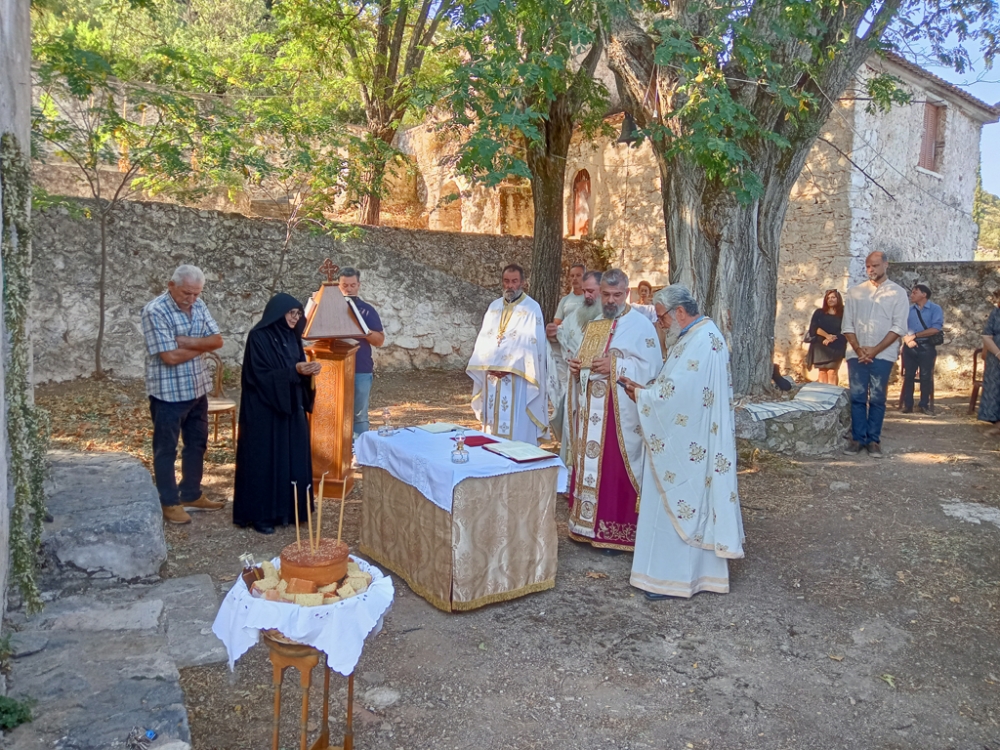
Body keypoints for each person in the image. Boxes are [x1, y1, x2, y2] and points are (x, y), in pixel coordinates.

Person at [621, 285, 745, 599]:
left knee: (682, 501)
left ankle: (674, 579)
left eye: (661, 317)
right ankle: (662, 575)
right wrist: (647, 388)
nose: (660, 324)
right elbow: (676, 383)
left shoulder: (703, 340)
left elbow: (681, 396)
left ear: (679, 312)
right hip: (687, 435)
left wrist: (643, 395)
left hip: (689, 442)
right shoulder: (694, 337)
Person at [566, 269, 662, 552]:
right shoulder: (595, 323)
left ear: (627, 293)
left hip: (621, 414)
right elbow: (586, 361)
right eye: (606, 295)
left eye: (616, 295)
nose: (610, 300)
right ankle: (586, 526)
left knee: (616, 469)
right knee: (593, 465)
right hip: (592, 412)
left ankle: (617, 533)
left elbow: (652, 370)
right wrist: (576, 369)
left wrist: (616, 367)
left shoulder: (641, 326)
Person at [141, 265, 226, 525]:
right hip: (168, 394)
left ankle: (191, 493)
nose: (191, 299)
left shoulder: (198, 305)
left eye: (196, 294)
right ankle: (169, 501)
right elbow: (170, 357)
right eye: (187, 293)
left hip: (197, 389)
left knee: (197, 444)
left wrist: (186, 341)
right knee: (166, 449)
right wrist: (202, 345)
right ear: (171, 285)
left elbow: (218, 341)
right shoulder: (155, 311)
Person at [233, 294, 321, 534]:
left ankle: (292, 511)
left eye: (298, 314)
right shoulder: (258, 337)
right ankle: (262, 515)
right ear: (278, 313)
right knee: (266, 460)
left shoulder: (291, 337)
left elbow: (296, 367)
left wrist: (307, 371)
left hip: (290, 406)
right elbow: (259, 375)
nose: (295, 318)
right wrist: (294, 370)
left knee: (291, 457)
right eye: (291, 313)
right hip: (264, 409)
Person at [467, 264, 549, 443]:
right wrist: (487, 365)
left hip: (518, 379)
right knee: (493, 429)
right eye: (506, 281)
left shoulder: (532, 308)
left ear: (523, 283)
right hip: (492, 379)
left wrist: (509, 368)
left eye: (514, 281)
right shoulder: (494, 307)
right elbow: (484, 339)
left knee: (516, 427)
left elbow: (532, 347)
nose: (510, 286)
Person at [841, 251, 909, 458]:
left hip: (883, 355)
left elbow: (899, 327)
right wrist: (859, 348)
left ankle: (874, 440)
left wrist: (875, 350)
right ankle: (858, 438)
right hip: (857, 353)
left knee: (878, 398)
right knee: (858, 397)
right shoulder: (855, 292)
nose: (871, 270)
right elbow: (847, 325)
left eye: (876, 265)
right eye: (868, 266)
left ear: (886, 265)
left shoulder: (898, 293)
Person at [547, 271, 604, 465]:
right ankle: (572, 478)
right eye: (585, 291)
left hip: (600, 391)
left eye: (591, 291)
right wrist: (554, 335)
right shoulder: (577, 315)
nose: (586, 295)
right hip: (576, 386)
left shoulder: (611, 317)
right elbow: (562, 337)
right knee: (574, 430)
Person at [338, 267, 385, 438]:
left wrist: (365, 332)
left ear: (358, 285)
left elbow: (380, 340)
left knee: (359, 415)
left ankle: (360, 452)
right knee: (335, 412)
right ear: (338, 286)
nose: (348, 289)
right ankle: (337, 451)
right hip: (334, 369)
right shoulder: (330, 310)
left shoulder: (367, 310)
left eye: (352, 285)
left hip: (360, 369)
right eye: (344, 285)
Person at [545, 263, 587, 447]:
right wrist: (553, 331)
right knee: (567, 395)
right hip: (568, 354)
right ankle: (566, 437)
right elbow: (558, 325)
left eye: (578, 275)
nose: (575, 279)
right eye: (572, 275)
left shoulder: (591, 301)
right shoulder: (566, 301)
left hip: (586, 350)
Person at [900, 283, 944, 416]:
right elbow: (900, 326)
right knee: (909, 376)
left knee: (925, 376)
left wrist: (915, 335)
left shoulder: (935, 309)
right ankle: (908, 405)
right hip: (910, 347)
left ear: (924, 294)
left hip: (926, 346)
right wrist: (907, 339)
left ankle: (924, 404)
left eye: (915, 292)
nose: (911, 295)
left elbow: (936, 328)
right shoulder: (908, 310)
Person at [806, 289, 847, 384]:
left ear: (838, 299)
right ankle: (823, 395)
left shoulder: (844, 313)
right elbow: (813, 328)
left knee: (832, 371)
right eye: (828, 298)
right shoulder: (819, 312)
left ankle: (833, 395)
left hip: (837, 346)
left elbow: (846, 328)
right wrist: (827, 336)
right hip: (820, 346)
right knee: (822, 371)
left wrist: (833, 337)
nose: (830, 300)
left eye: (833, 297)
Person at [977, 293, 1000, 434]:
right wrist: (998, 353)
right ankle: (998, 424)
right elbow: (986, 335)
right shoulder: (996, 312)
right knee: (995, 388)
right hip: (995, 357)